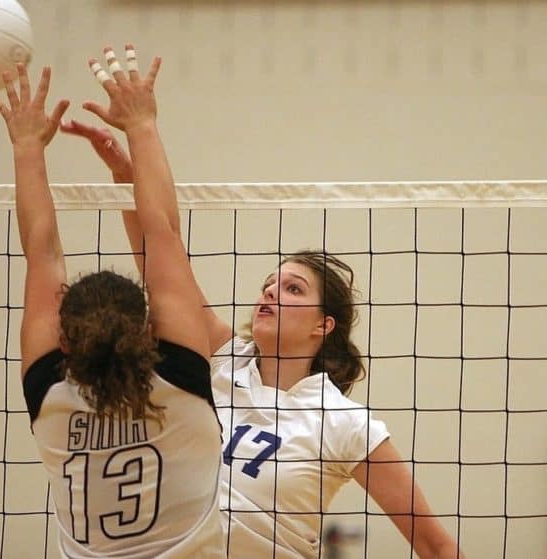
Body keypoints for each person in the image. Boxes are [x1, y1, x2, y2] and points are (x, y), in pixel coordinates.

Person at [60, 126, 466, 559]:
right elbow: (159, 258)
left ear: (322, 326)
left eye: (293, 289)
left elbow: (434, 544)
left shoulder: (346, 423)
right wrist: (126, 176)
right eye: (269, 284)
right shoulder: (222, 358)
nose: (270, 292)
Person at [0, 45, 225, 557]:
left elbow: (39, 249)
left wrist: (26, 146)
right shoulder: (180, 383)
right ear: (146, 330)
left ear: (64, 341)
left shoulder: (51, 402)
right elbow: (161, 230)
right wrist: (142, 124)